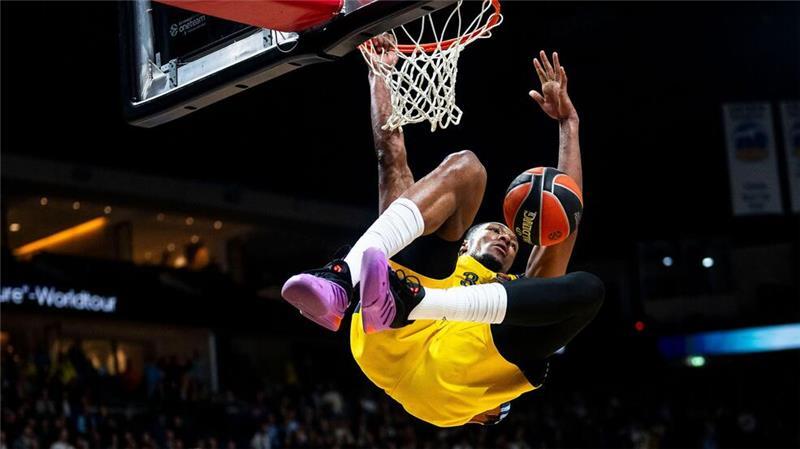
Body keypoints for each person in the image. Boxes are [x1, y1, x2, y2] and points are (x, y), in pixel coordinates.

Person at [282, 37, 603, 427]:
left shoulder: (514, 289)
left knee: (585, 291)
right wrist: (381, 73)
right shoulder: (425, 254)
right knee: (467, 167)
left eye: (513, 241)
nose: (507, 237)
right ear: (465, 243)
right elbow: (391, 157)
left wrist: (570, 124)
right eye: (496, 230)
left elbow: (565, 220)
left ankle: (412, 301)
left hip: (456, 382)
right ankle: (341, 282)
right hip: (393, 335)